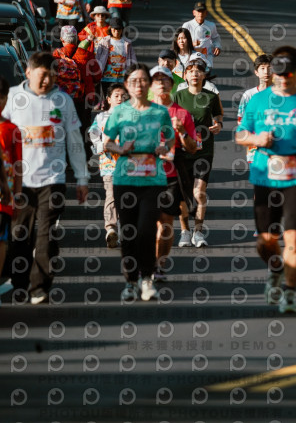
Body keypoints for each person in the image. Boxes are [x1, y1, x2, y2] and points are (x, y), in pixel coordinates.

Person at [236, 46, 296, 313]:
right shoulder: (258, 100)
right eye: (278, 73)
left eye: (288, 73)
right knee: (265, 241)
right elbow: (240, 134)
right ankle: (276, 268)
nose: (283, 78)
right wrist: (256, 139)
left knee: (293, 238)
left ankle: (288, 293)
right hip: (265, 174)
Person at [1, 52, 89, 304]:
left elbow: (74, 141)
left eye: (52, 75)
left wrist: (82, 178)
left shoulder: (63, 100)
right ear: (28, 73)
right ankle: (19, 283)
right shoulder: (13, 98)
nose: (48, 80)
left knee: (45, 234)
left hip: (53, 178)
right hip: (20, 181)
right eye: (43, 75)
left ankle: (39, 287)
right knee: (20, 234)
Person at [102, 63, 174, 301]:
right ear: (127, 85)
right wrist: (120, 149)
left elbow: (170, 138)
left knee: (146, 230)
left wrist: (164, 148)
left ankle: (147, 279)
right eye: (134, 81)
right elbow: (106, 142)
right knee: (129, 232)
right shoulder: (119, 112)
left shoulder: (160, 112)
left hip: (153, 180)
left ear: (149, 84)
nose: (139, 85)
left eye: (143, 80)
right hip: (125, 179)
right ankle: (131, 281)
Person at [149, 65, 197, 281]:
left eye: (165, 80)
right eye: (156, 80)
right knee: (147, 224)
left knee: (165, 223)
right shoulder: (141, 112)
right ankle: (147, 262)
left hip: (169, 176)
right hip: (144, 175)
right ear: (150, 86)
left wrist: (182, 131)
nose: (161, 84)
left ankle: (159, 265)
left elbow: (193, 148)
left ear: (172, 84)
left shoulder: (182, 113)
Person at [174, 54, 223, 248]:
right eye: (190, 71)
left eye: (199, 71)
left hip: (204, 151)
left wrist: (218, 125)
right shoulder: (178, 96)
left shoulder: (211, 96)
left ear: (204, 75)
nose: (195, 74)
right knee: (183, 194)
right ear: (185, 76)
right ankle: (185, 231)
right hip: (182, 150)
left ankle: (198, 232)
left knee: (199, 192)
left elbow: (219, 116)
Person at [88, 82, 127, 248]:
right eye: (116, 96)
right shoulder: (101, 117)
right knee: (111, 195)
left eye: (123, 96)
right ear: (109, 99)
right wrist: (100, 145)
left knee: (126, 198)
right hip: (109, 164)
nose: (120, 99)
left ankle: (125, 229)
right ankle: (111, 229)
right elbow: (93, 133)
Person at [53, 25, 102, 157]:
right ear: (76, 39)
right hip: (84, 97)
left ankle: (66, 157)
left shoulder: (56, 55)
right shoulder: (87, 54)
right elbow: (98, 75)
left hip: (63, 98)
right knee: (83, 126)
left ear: (62, 39)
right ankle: (84, 156)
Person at [0, 75, 21, 300]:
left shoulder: (12, 129)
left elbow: (18, 163)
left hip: (4, 195)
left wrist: (16, 192)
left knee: (2, 238)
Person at [238, 54, 272, 165]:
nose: (266, 72)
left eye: (269, 68)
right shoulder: (249, 95)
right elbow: (241, 121)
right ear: (256, 72)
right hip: (255, 148)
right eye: (262, 68)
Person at [96, 16, 137, 101]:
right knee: (108, 100)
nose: (116, 31)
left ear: (122, 30)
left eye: (119, 29)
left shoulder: (127, 43)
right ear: (110, 29)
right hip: (107, 77)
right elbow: (98, 58)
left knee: (121, 99)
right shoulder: (104, 42)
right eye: (114, 29)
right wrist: (97, 72)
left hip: (122, 77)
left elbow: (132, 59)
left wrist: (133, 73)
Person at [182, 1, 221, 67]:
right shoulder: (187, 25)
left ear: (206, 13)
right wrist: (192, 44)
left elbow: (215, 38)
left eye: (202, 11)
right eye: (198, 11)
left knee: (206, 72)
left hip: (206, 57)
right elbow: (180, 42)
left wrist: (217, 46)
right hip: (190, 57)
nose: (200, 14)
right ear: (194, 13)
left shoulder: (211, 25)